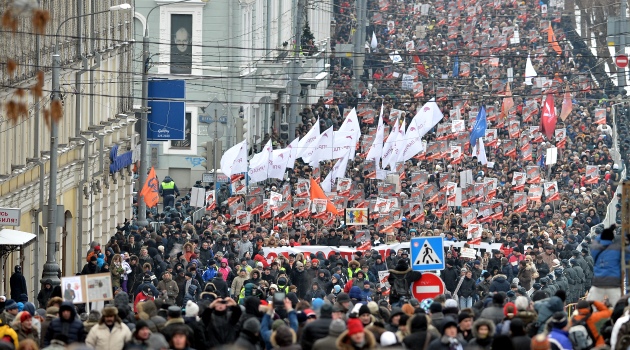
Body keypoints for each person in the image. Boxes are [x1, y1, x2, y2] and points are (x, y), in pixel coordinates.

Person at [587, 224, 629, 306]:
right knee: (617, 307)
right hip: (613, 282)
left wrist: (608, 230)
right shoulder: (617, 249)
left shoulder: (595, 248)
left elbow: (596, 239)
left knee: (591, 306)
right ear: (612, 238)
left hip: (598, 282)